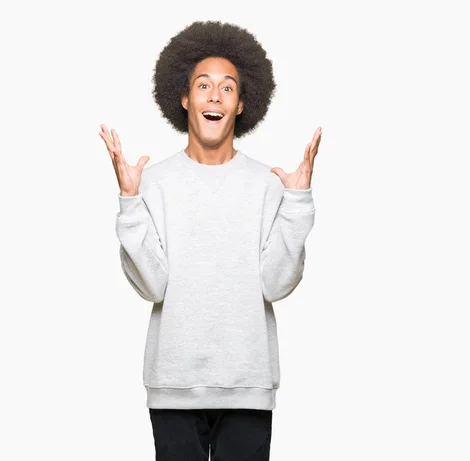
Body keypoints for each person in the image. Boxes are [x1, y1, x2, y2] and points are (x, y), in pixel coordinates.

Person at [98, 20, 321, 461]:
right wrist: (129, 201)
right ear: (184, 98)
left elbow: (276, 285)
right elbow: (152, 288)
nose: (215, 96)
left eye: (227, 88)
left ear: (241, 104)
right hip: (173, 386)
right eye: (203, 85)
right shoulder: (153, 183)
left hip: (248, 384)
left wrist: (296, 204)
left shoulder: (267, 185)